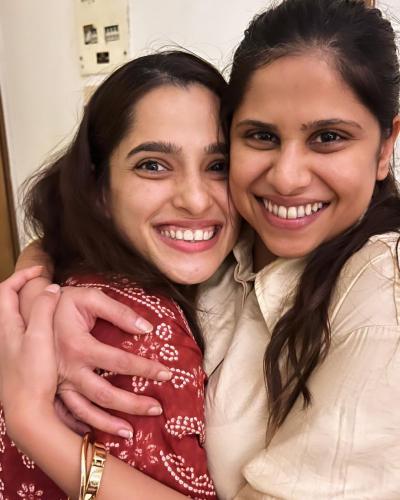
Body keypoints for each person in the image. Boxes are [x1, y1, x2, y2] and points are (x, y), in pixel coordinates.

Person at [2, 0, 400, 498]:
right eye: (261, 136)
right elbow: (70, 224)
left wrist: (33, 422)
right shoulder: (246, 233)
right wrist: (38, 294)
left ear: (385, 146)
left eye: (328, 137)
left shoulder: (382, 294)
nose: (286, 178)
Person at [0, 51, 240, 499]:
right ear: (99, 190)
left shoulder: (77, 276)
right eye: (153, 165)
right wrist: (29, 419)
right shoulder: (136, 330)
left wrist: (35, 284)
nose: (195, 199)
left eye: (218, 166)